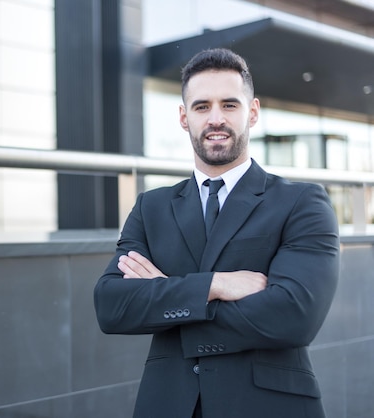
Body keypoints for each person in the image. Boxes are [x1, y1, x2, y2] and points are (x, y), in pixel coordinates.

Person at [93, 48, 340, 418]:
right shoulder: (152, 207)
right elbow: (112, 306)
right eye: (201, 106)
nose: (216, 119)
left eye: (229, 105)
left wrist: (169, 299)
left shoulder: (302, 202)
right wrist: (215, 286)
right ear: (183, 117)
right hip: (168, 405)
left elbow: (294, 316)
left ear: (252, 112)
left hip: (267, 406)